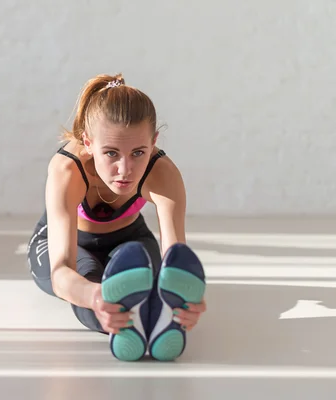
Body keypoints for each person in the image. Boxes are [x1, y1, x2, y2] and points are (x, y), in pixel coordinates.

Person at [27, 73, 207, 362]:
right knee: (90, 282)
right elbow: (62, 273)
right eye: (111, 153)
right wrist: (95, 298)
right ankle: (127, 324)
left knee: (155, 278)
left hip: (130, 238)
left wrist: (185, 300)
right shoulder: (67, 170)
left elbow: (177, 262)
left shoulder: (163, 173)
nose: (126, 169)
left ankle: (154, 322)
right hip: (68, 243)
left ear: (154, 141)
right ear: (87, 142)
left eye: (138, 152)